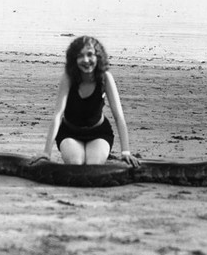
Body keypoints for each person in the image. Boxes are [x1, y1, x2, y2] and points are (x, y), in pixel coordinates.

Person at [32, 36, 139, 167]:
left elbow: (119, 116)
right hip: (70, 133)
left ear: (98, 56)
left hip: (98, 133)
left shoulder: (105, 77)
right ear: (74, 59)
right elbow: (58, 115)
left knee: (93, 165)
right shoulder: (69, 77)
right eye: (80, 56)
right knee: (76, 163)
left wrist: (126, 151)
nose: (86, 60)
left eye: (90, 55)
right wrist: (46, 153)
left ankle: (103, 154)